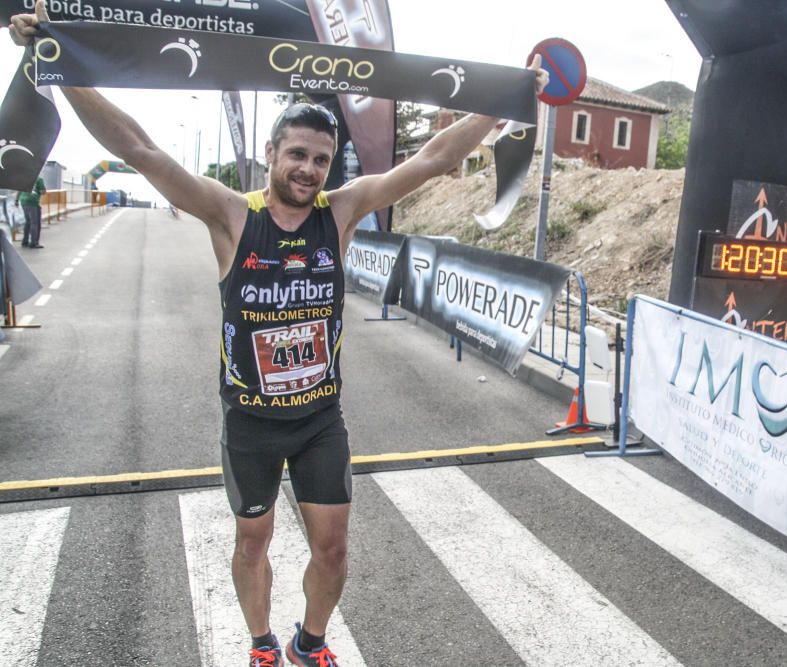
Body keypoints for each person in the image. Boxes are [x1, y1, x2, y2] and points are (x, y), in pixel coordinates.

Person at [9, 4, 548, 666]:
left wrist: (498, 107)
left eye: (321, 159)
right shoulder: (231, 216)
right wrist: (62, 69)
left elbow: (435, 158)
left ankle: (308, 643)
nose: (309, 169)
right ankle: (261, 641)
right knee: (252, 543)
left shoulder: (341, 212)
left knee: (334, 547)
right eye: (297, 154)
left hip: (320, 419)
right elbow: (138, 148)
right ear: (271, 153)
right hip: (252, 424)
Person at [16, 174, 45, 248]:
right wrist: (43, 190)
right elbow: (42, 192)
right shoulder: (39, 179)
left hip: (23, 201)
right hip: (33, 202)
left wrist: (16, 200)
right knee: (35, 223)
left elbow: (19, 190)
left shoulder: (24, 178)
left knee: (27, 222)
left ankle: (25, 241)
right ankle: (34, 242)